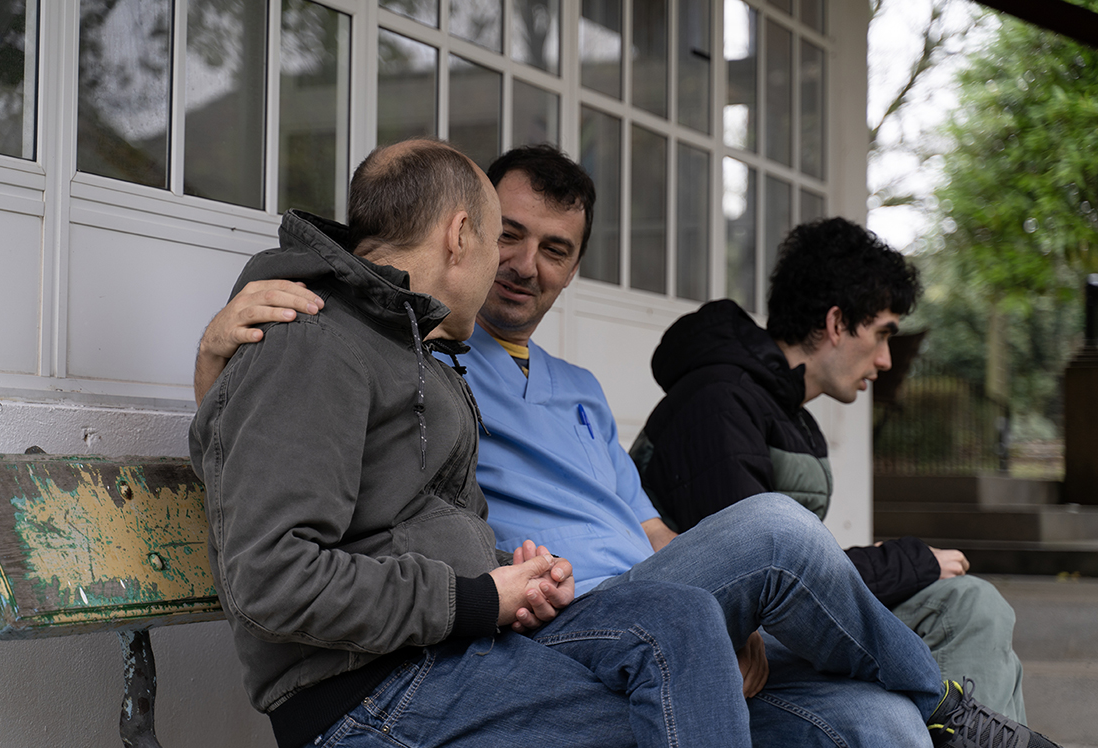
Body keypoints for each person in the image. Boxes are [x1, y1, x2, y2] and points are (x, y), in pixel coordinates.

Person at [194, 145, 1059, 748]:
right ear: (465, 234)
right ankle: (949, 704)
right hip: (435, 667)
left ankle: (935, 712)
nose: (519, 264)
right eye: (506, 235)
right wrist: (216, 363)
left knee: (876, 721)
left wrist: (731, 604)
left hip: (554, 621)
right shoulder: (369, 342)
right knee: (772, 536)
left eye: (554, 249)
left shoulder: (444, 363)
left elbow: (624, 535)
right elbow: (272, 512)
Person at [188, 138, 760, 748]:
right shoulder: (313, 339)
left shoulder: (412, 349)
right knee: (669, 718)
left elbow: (392, 520)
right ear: (460, 235)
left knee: (684, 622)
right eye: (497, 243)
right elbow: (272, 579)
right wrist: (480, 597)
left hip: (444, 653)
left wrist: (511, 587)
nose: (503, 269)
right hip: (367, 692)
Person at [632, 217, 1027, 721]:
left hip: (778, 611)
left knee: (977, 614)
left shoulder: (783, 409)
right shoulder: (720, 401)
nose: (886, 359)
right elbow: (763, 565)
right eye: (882, 334)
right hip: (724, 627)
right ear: (838, 323)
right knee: (965, 607)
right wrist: (907, 560)